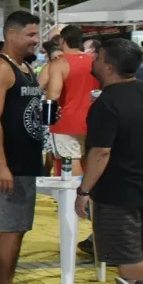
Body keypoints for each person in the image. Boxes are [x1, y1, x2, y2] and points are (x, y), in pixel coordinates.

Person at [0, 10, 45, 284]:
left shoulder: (25, 67)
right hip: (11, 163)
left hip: (24, 160)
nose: (36, 39)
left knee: (7, 224)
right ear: (11, 35)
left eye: (37, 34)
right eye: (30, 34)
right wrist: (1, 164)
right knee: (14, 228)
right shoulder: (0, 67)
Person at [77, 39, 143, 284]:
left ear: (110, 65)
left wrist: (84, 190)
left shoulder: (107, 103)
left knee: (127, 253)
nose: (93, 60)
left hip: (120, 191)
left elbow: (101, 152)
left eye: (98, 56)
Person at [46, 25, 101, 176]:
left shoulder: (60, 63)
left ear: (63, 41)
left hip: (67, 120)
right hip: (92, 118)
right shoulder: (93, 61)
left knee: (70, 159)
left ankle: (75, 196)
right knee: (87, 159)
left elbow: (53, 95)